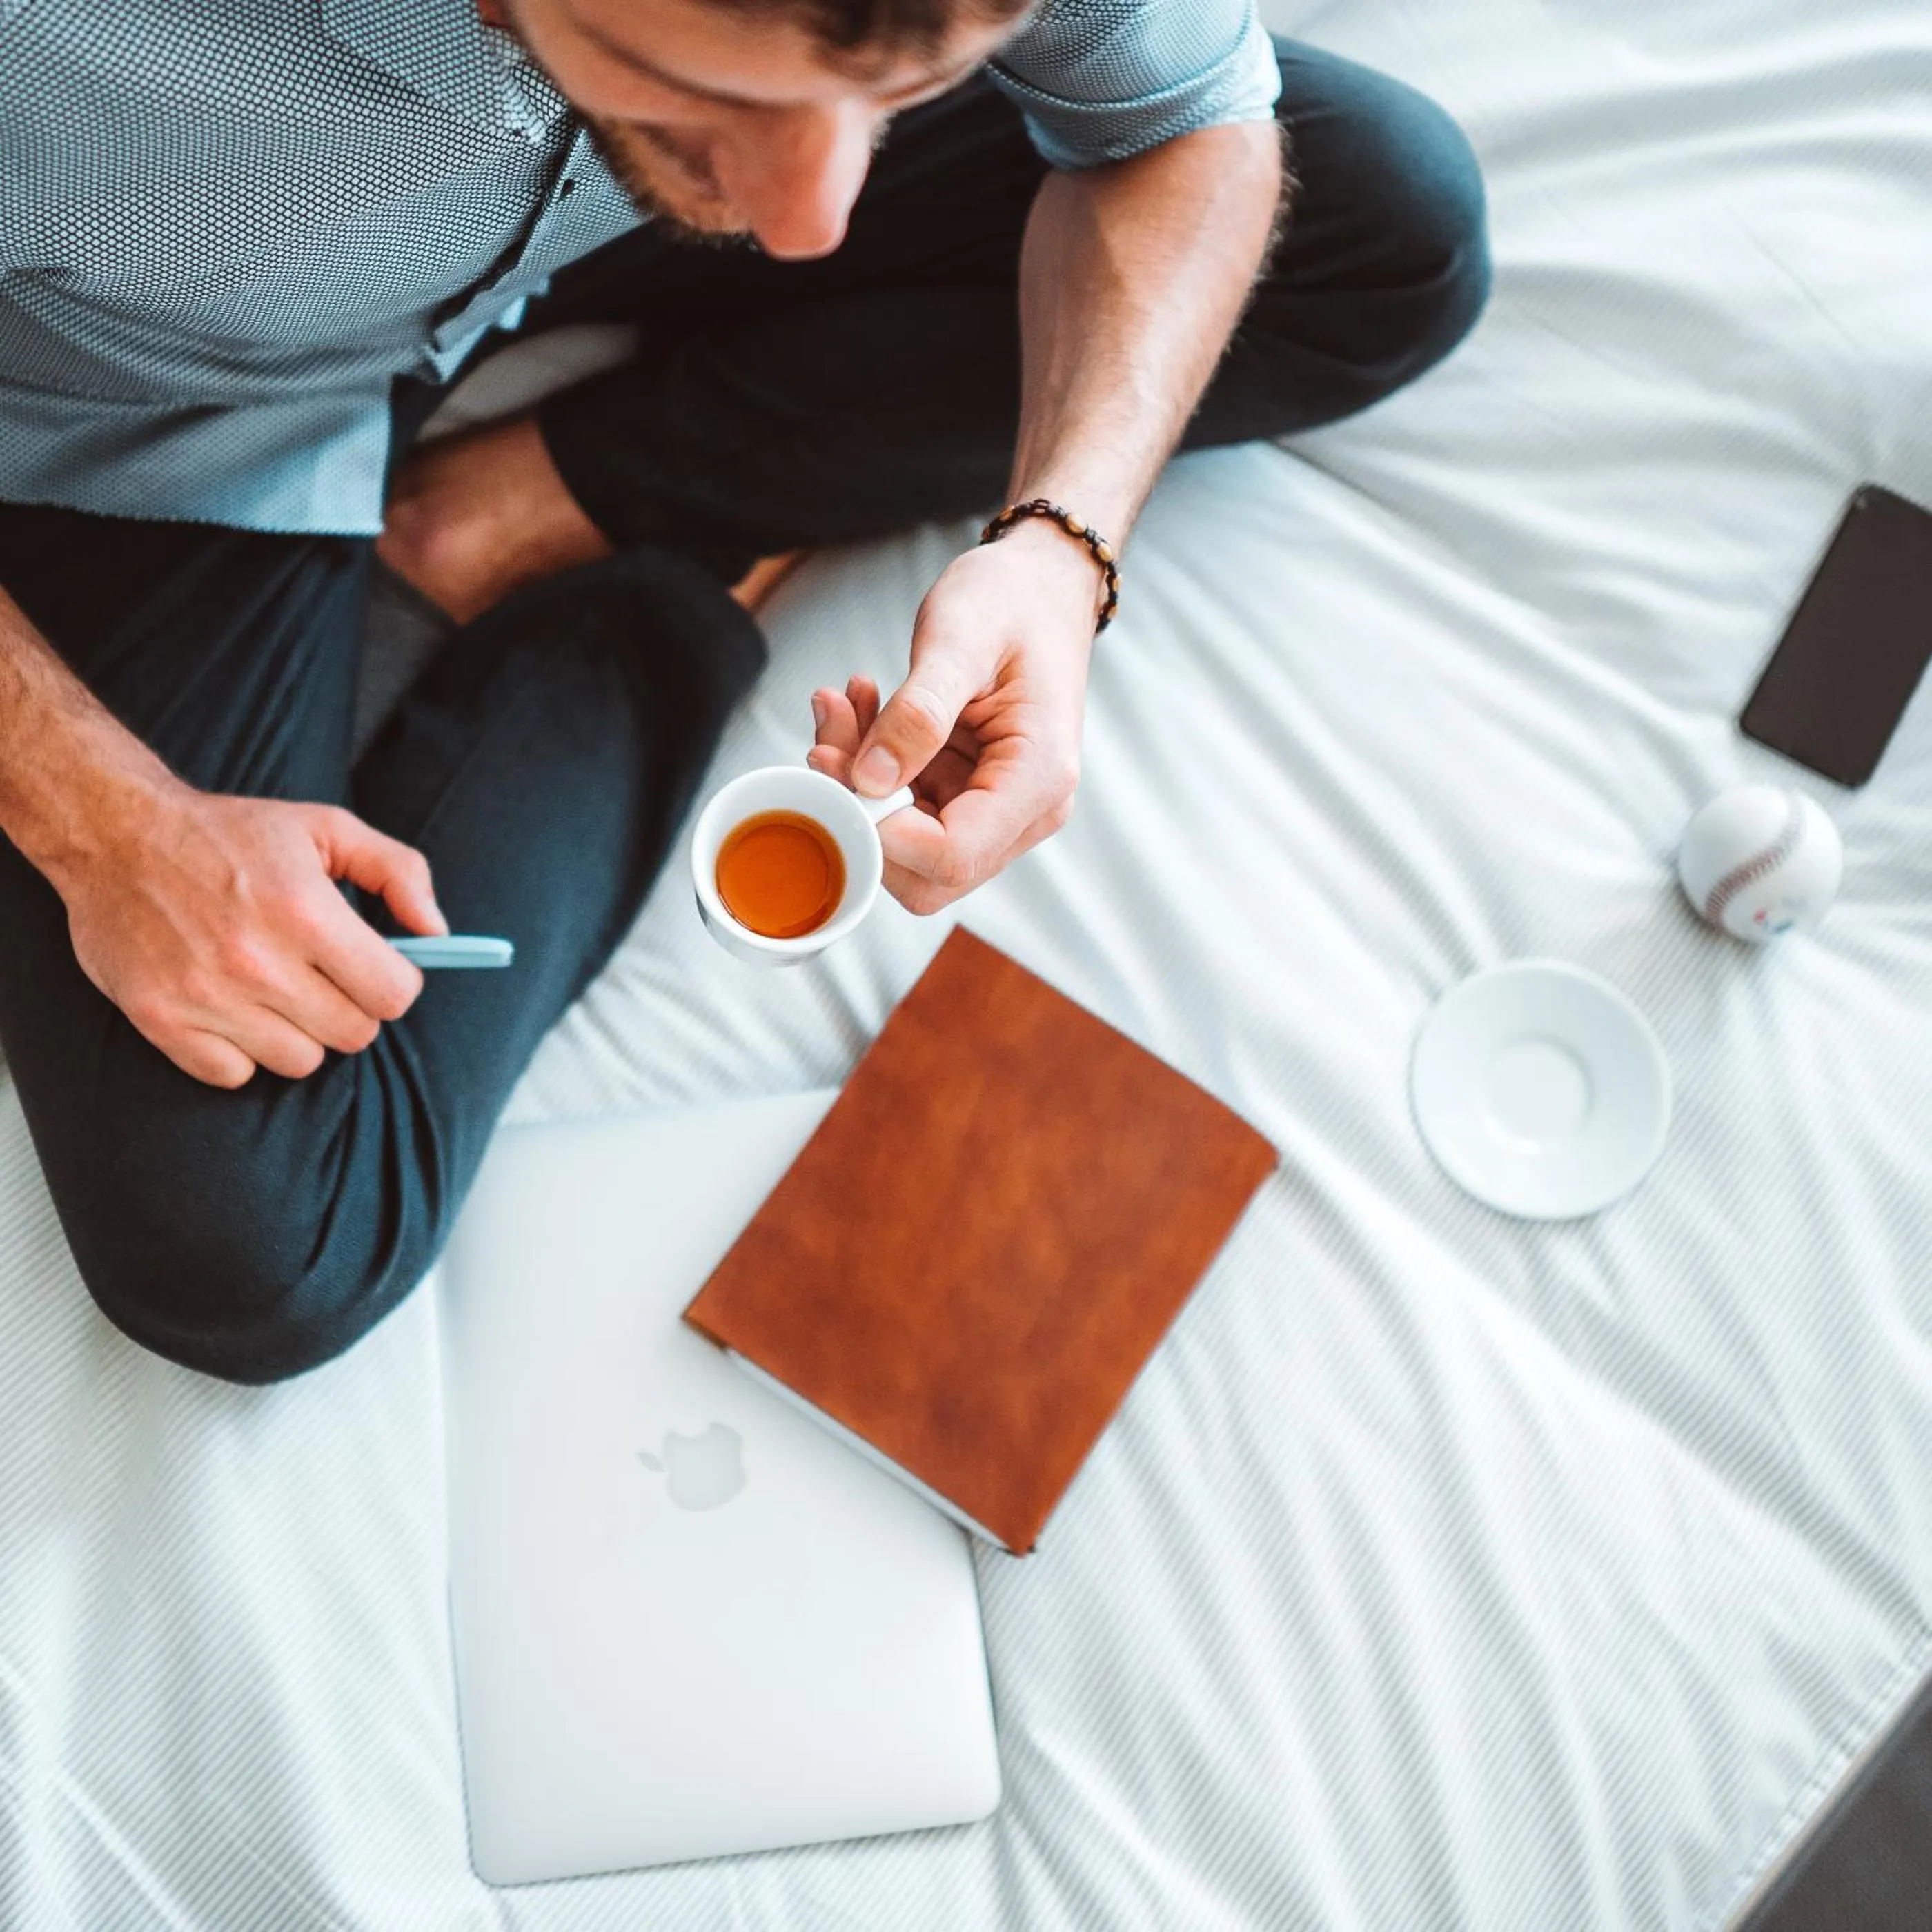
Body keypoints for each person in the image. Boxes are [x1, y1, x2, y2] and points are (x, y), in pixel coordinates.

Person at [0, 0, 1488, 1383]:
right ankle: (665, 577)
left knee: (1386, 218)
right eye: (699, 87)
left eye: (901, 92)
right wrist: (100, 818)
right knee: (254, 1243)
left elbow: (1184, 127)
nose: (809, 221)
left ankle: (556, 494)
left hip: (581, 221)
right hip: (159, 403)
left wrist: (1061, 535)